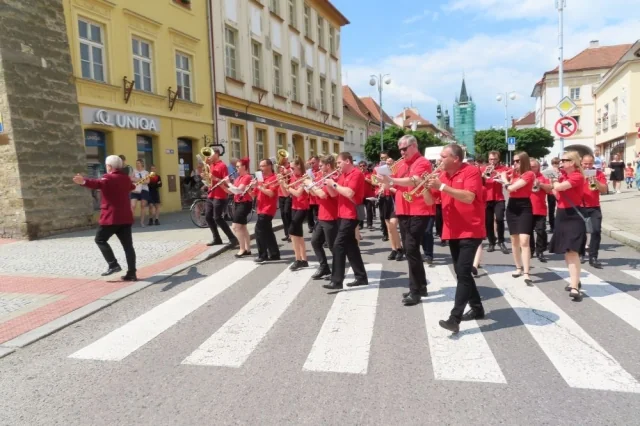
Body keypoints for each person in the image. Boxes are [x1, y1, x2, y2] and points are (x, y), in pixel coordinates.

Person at [424, 144, 486, 333]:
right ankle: (477, 308)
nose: (439, 160)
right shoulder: (442, 175)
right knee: (462, 273)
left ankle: (454, 318)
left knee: (463, 272)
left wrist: (442, 186)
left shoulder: (471, 172)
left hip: (470, 229)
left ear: (456, 158)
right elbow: (429, 201)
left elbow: (468, 197)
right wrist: (425, 187)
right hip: (452, 230)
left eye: (443, 156)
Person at [379, 135, 432, 305]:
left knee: (410, 249)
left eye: (405, 148)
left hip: (419, 210)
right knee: (413, 250)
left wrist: (391, 179)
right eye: (400, 149)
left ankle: (415, 291)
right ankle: (421, 286)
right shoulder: (401, 164)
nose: (401, 152)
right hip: (403, 209)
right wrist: (385, 175)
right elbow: (391, 183)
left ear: (414, 146)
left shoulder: (422, 162)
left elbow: (411, 180)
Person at [73, 155, 138, 281]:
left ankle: (113, 264)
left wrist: (83, 181)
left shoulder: (108, 177)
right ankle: (132, 273)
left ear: (109, 166)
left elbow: (96, 183)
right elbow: (132, 187)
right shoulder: (125, 178)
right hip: (125, 217)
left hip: (111, 217)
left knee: (100, 239)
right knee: (128, 246)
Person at [322, 152, 368, 290]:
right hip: (342, 214)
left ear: (347, 161)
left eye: (339, 163)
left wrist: (334, 183)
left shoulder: (356, 173)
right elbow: (334, 194)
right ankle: (361, 277)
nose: (338, 166)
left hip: (351, 214)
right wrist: (329, 183)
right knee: (350, 246)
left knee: (338, 245)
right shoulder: (343, 175)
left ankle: (336, 281)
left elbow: (349, 193)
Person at [549, 151, 586, 301]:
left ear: (573, 162)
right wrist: (553, 185)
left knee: (573, 250)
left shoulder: (577, 176)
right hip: (562, 214)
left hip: (574, 215)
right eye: (561, 160)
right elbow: (556, 194)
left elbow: (559, 187)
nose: (561, 162)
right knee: (567, 249)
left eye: (564, 160)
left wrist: (554, 183)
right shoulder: (563, 176)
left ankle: (575, 287)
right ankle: (574, 279)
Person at [499, 152, 536, 286]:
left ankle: (526, 272)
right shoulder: (513, 173)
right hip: (512, 206)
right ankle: (518, 267)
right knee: (514, 239)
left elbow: (511, 188)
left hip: (524, 206)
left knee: (524, 240)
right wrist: (503, 176)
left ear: (524, 161)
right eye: (514, 161)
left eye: (517, 161)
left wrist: (504, 179)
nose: (514, 164)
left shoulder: (529, 174)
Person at [308, 155, 339, 280]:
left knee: (332, 246)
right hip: (322, 214)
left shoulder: (334, 178)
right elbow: (315, 195)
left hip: (332, 215)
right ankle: (324, 267)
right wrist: (309, 187)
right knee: (315, 242)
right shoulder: (322, 177)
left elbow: (323, 195)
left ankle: (337, 272)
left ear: (328, 165)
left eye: (321, 166)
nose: (319, 168)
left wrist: (311, 185)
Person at [203, 148, 238, 247]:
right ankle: (216, 238)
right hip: (211, 194)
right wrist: (205, 177)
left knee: (217, 218)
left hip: (220, 194)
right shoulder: (210, 165)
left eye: (211, 154)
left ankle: (232, 238)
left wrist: (215, 178)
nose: (209, 156)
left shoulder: (222, 166)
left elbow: (226, 182)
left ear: (217, 154)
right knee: (208, 217)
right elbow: (209, 179)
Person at [280, 156, 310, 271]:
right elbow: (286, 194)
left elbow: (298, 193)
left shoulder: (305, 177)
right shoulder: (293, 178)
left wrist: (288, 187)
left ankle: (298, 260)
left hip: (303, 207)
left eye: (292, 168)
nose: (290, 170)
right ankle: (304, 260)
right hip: (294, 207)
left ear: (298, 166)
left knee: (292, 232)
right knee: (298, 234)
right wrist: (282, 184)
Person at [580, 154, 607, 268]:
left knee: (596, 231)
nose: (588, 166)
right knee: (580, 232)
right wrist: (582, 180)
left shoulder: (599, 173)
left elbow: (604, 190)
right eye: (585, 163)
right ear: (581, 163)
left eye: (590, 163)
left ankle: (593, 257)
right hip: (580, 206)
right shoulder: (578, 173)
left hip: (594, 206)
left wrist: (596, 181)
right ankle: (580, 253)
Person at [481, 151, 510, 254]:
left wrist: (500, 175)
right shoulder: (483, 169)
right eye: (490, 159)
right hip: (486, 199)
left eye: (494, 159)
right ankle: (491, 242)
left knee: (500, 219)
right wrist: (483, 176)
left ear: (498, 159)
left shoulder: (503, 169)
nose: (492, 161)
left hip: (499, 198)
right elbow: (478, 183)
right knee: (488, 222)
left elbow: (510, 179)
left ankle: (501, 242)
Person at [253, 159, 281, 264]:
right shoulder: (261, 178)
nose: (260, 168)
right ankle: (274, 254)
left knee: (258, 230)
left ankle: (262, 255)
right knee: (268, 232)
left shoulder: (275, 178)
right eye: (260, 166)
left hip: (268, 208)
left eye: (262, 166)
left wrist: (259, 186)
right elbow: (253, 194)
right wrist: (251, 187)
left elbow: (271, 193)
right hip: (260, 208)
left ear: (269, 166)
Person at [225, 157, 253, 258]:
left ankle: (242, 249)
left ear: (244, 167)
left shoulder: (247, 177)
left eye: (238, 166)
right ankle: (248, 249)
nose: (236, 168)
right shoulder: (238, 178)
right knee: (243, 227)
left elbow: (238, 191)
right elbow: (231, 191)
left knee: (236, 227)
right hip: (238, 203)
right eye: (236, 166)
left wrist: (228, 183)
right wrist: (221, 184)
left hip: (245, 204)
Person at [528, 159, 552, 263]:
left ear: (538, 167)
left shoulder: (543, 177)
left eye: (534, 166)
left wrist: (540, 184)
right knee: (528, 232)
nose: (532, 169)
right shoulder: (525, 176)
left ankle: (540, 251)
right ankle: (530, 250)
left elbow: (549, 190)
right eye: (530, 167)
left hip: (540, 209)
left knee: (541, 231)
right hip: (527, 209)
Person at [130, 159, 150, 227]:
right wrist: (140, 180)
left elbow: (148, 181)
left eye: (138, 163)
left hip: (144, 190)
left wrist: (137, 180)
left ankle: (142, 222)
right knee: (132, 206)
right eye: (136, 163)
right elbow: (131, 179)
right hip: (135, 189)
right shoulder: (134, 171)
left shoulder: (146, 172)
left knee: (143, 205)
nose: (137, 164)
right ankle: (131, 221)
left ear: (142, 164)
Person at [277, 157, 293, 242]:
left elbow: (291, 179)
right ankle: (287, 234)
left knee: (287, 212)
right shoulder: (280, 169)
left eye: (285, 161)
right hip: (280, 194)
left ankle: (291, 233)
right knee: (283, 214)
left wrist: (287, 173)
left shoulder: (290, 169)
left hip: (288, 193)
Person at [307, 156, 320, 233]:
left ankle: (317, 227)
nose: (312, 164)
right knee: (309, 212)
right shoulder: (309, 171)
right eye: (311, 163)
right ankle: (311, 226)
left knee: (317, 213)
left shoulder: (321, 171)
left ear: (318, 162)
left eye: (313, 163)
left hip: (317, 195)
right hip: (310, 195)